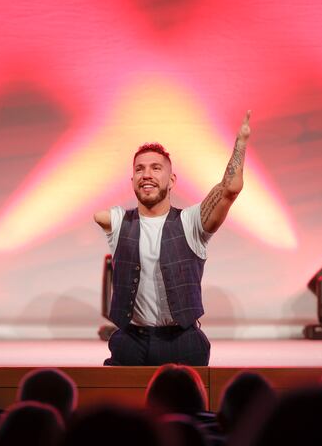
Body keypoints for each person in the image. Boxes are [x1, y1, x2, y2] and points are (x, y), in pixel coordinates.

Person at [94, 111, 252, 366]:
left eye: (156, 168)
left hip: (182, 342)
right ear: (132, 179)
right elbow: (97, 214)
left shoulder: (190, 222)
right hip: (131, 341)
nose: (147, 174)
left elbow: (230, 189)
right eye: (139, 169)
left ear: (172, 180)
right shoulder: (118, 221)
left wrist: (241, 142)